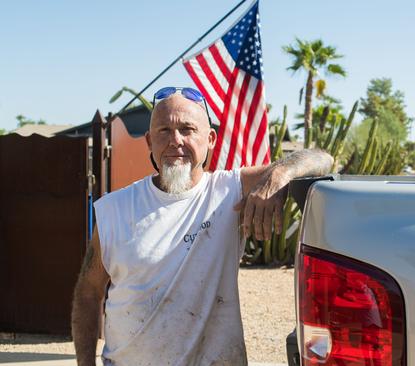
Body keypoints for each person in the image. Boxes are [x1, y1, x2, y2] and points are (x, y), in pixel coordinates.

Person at [71, 87, 333, 366]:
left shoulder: (229, 190)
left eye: (187, 129)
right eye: (163, 131)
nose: (175, 140)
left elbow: (323, 159)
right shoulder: (115, 209)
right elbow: (88, 292)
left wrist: (278, 174)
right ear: (149, 141)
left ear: (210, 139)